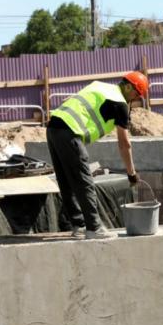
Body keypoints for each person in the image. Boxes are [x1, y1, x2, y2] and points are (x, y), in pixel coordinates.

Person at [46, 72, 147, 239]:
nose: (133, 100)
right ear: (128, 86)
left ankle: (79, 225)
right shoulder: (120, 104)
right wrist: (131, 174)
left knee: (66, 181)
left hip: (53, 128)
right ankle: (94, 227)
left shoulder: (100, 86)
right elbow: (124, 144)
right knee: (84, 181)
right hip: (69, 132)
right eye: (135, 95)